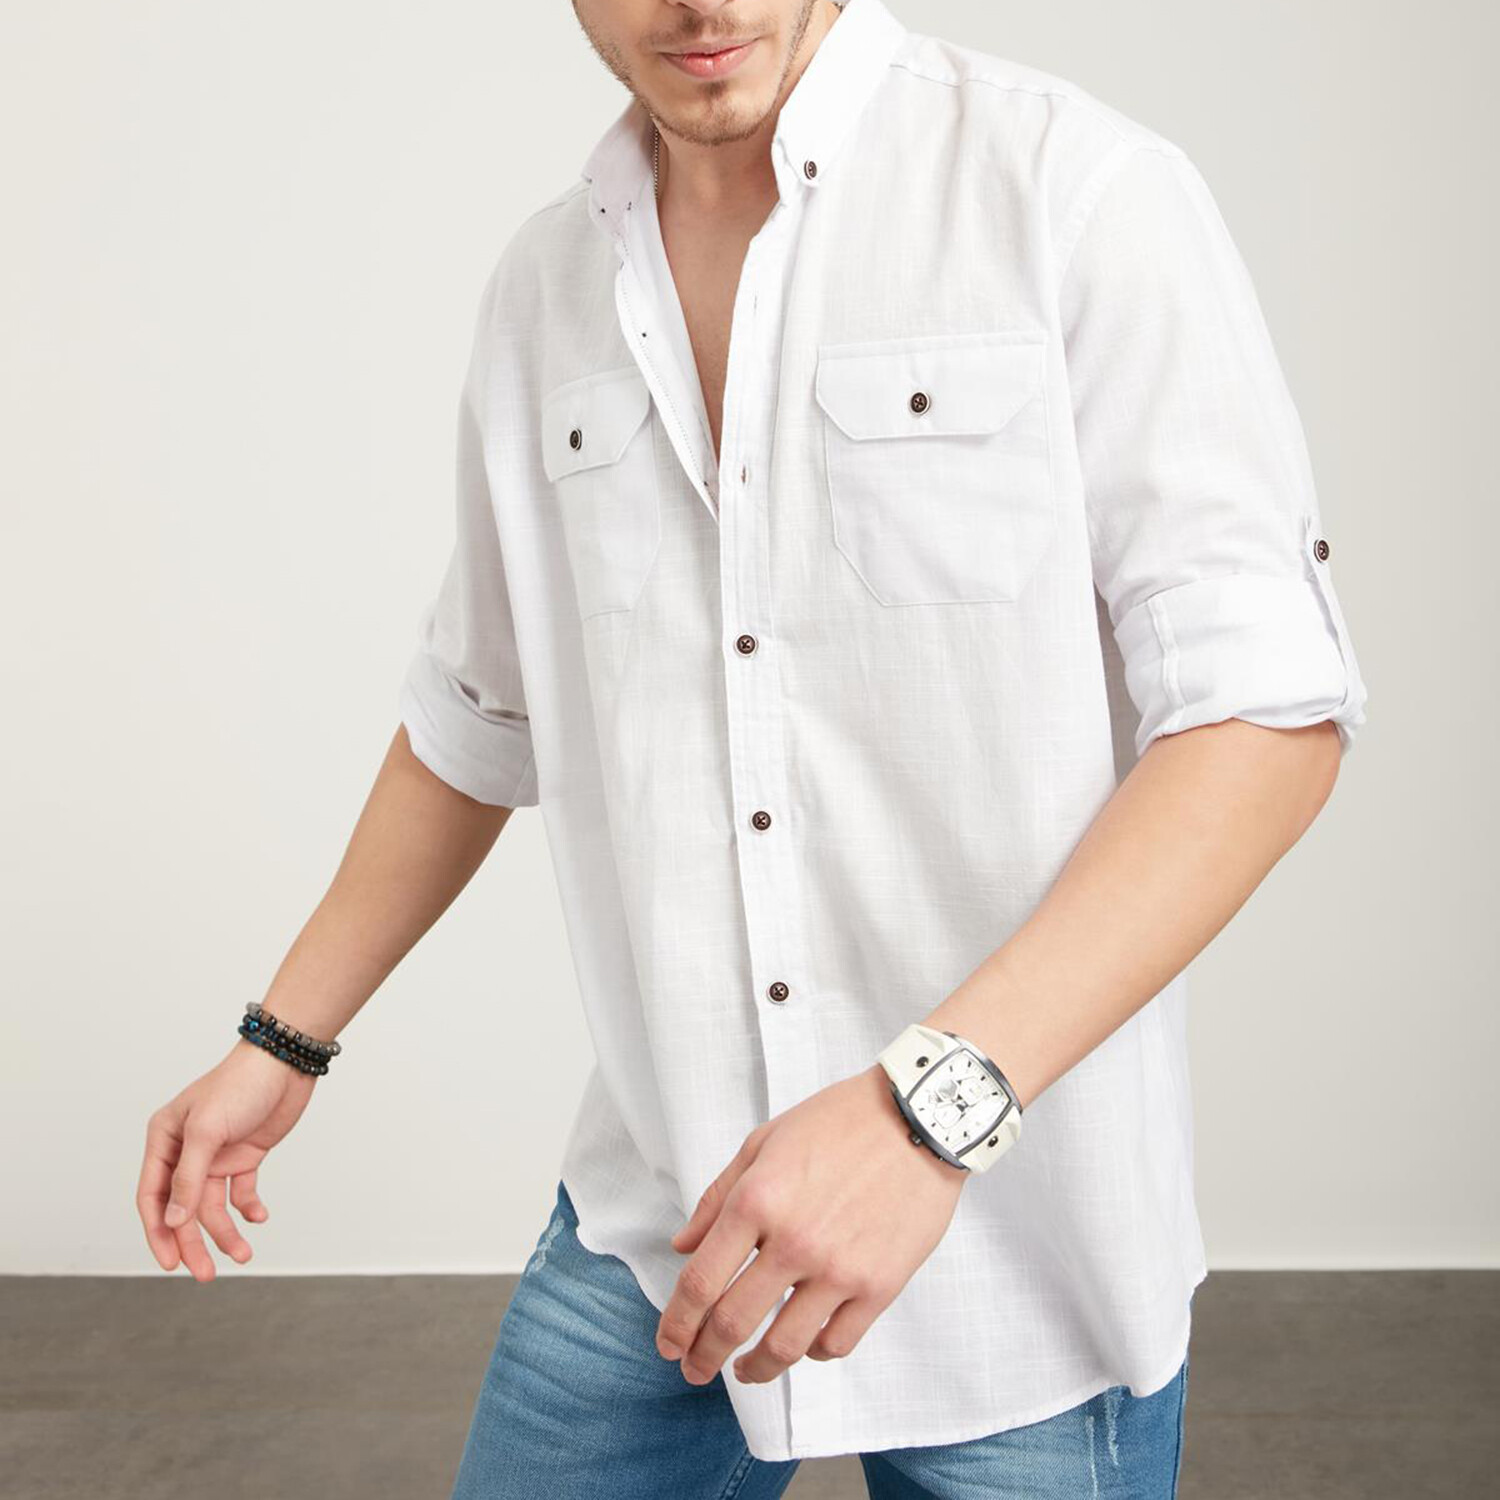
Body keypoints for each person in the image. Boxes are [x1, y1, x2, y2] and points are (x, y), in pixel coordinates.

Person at [136, 2, 1370, 1495]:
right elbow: (478, 714)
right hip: (665, 1225)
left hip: (1020, 1257)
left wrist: (923, 1118)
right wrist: (282, 1040)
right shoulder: (547, 289)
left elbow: (1265, 716)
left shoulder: (1074, 190)